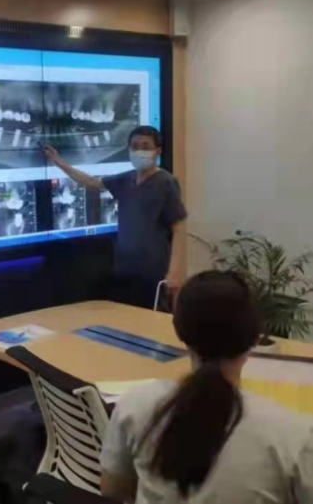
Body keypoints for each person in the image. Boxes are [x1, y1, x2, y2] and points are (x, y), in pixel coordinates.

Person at [100, 271, 313, 504]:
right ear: (254, 338)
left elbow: (112, 489)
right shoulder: (293, 435)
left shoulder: (135, 404)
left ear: (180, 332)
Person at [44, 126, 187, 309]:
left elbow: (179, 228)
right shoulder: (126, 179)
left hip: (153, 271)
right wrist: (58, 161)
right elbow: (90, 182)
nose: (139, 151)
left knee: (151, 320)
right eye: (134, 146)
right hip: (124, 268)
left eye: (145, 146)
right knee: (125, 316)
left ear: (158, 151)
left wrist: (174, 271)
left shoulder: (166, 182)